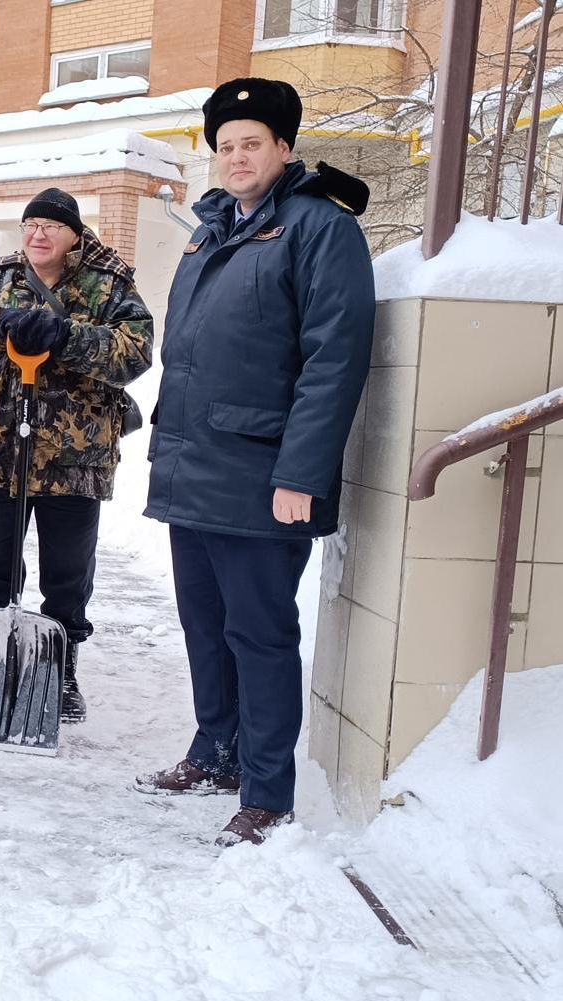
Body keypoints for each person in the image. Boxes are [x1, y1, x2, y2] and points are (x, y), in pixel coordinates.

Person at [138, 78, 374, 847]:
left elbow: (332, 361)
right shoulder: (213, 230)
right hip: (191, 468)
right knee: (205, 626)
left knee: (260, 633)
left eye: (252, 143)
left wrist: (300, 475)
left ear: (284, 149)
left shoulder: (319, 229)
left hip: (262, 474)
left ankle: (268, 790)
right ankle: (216, 753)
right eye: (226, 145)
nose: (237, 157)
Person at [0, 188, 152, 723]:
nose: (37, 234)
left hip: (76, 457)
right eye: (31, 224)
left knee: (67, 573)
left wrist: (66, 335)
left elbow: (136, 354)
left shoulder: (110, 283)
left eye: (51, 226)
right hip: (1, 451)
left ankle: (61, 667)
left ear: (74, 234)